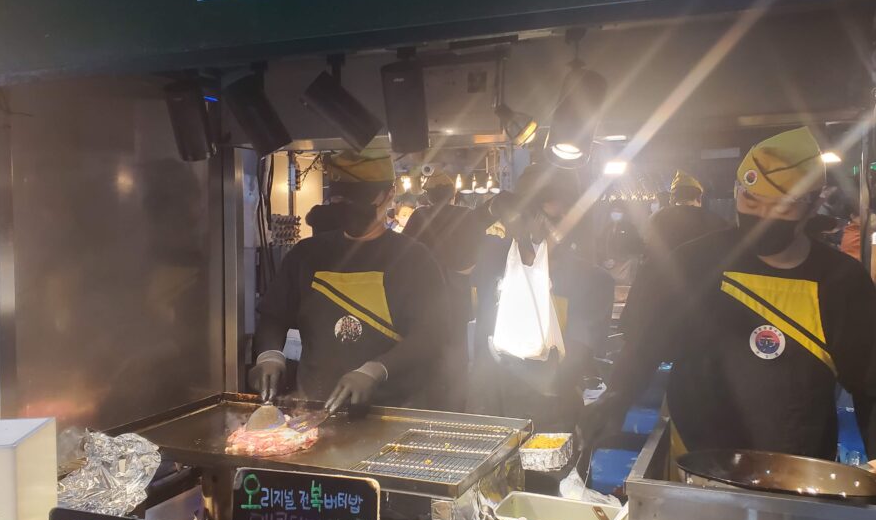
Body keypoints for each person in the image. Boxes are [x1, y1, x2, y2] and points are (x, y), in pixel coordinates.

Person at [600, 128, 876, 461]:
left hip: (798, 470)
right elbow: (643, 346)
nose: (762, 218)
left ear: (814, 204)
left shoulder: (840, 279)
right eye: (751, 200)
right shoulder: (690, 262)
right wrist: (613, 401)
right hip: (695, 461)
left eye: (782, 208)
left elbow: (875, 390)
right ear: (736, 190)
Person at [250, 151, 449, 413]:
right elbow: (273, 316)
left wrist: (376, 370)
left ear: (389, 194)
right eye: (341, 199)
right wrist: (270, 355)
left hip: (390, 410)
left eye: (359, 200)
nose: (349, 209)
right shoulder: (306, 255)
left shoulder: (414, 259)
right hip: (315, 407)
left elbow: (431, 334)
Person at [471, 164, 615, 431]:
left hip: (551, 421)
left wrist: (508, 362)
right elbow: (449, 246)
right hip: (488, 413)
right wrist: (491, 208)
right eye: (529, 212)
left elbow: (567, 368)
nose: (540, 226)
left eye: (552, 217)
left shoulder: (592, 281)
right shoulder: (493, 260)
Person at [402, 170, 509, 407]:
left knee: (427, 343)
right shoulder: (467, 215)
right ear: (454, 194)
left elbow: (404, 252)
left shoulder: (419, 217)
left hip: (423, 293)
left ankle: (430, 398)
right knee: (457, 347)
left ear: (428, 196)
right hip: (459, 291)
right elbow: (480, 250)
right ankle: (456, 402)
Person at [644, 170, 726, 267]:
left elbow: (647, 250)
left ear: (673, 198)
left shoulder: (655, 218)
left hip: (661, 277)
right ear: (699, 198)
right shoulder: (714, 220)